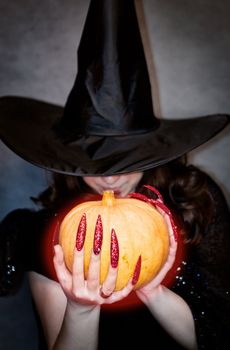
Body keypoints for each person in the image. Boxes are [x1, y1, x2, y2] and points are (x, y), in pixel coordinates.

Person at [0, 0, 229, 349]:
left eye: (127, 161)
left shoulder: (195, 200)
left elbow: (218, 337)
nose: (110, 179)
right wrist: (81, 308)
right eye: (96, 164)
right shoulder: (48, 232)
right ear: (70, 159)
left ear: (152, 152)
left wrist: (155, 292)